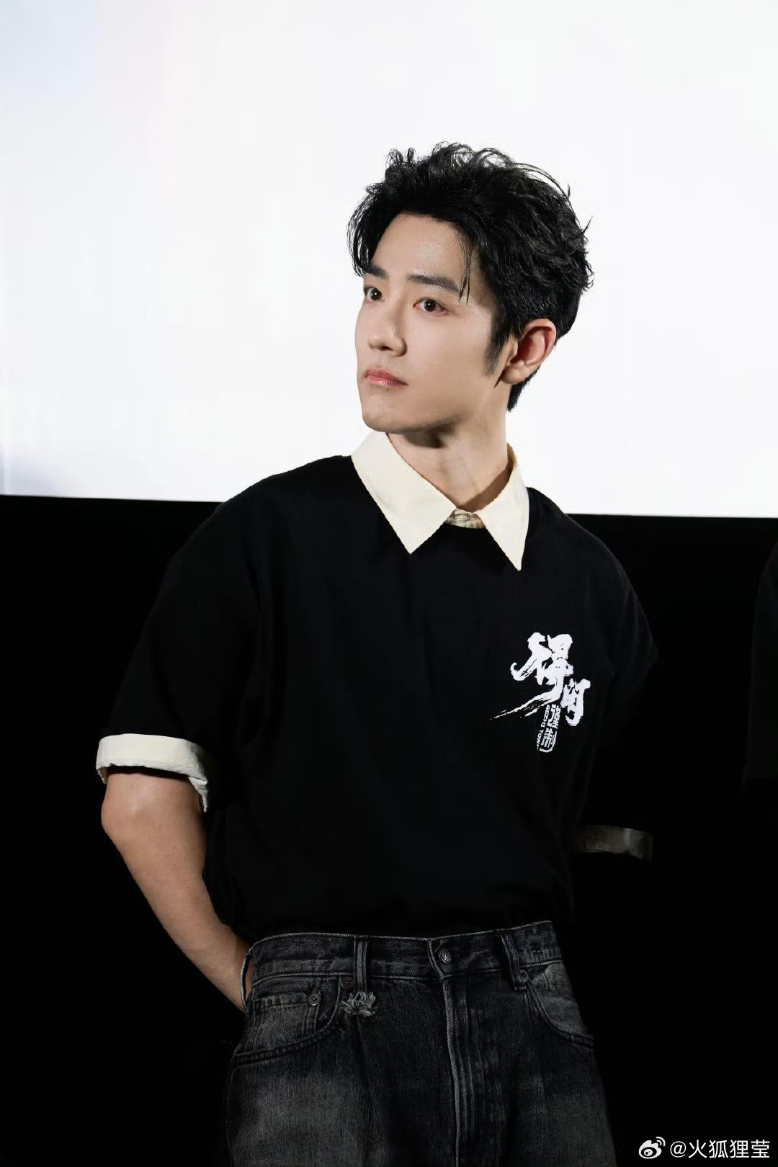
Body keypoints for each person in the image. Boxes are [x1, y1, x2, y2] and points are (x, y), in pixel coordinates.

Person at [97, 142, 659, 1167]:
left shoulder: (589, 583)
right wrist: (268, 988)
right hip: (322, 1006)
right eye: (372, 291)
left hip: (535, 1010)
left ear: (524, 347)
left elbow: (613, 836)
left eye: (430, 303)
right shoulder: (261, 538)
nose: (380, 330)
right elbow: (140, 798)